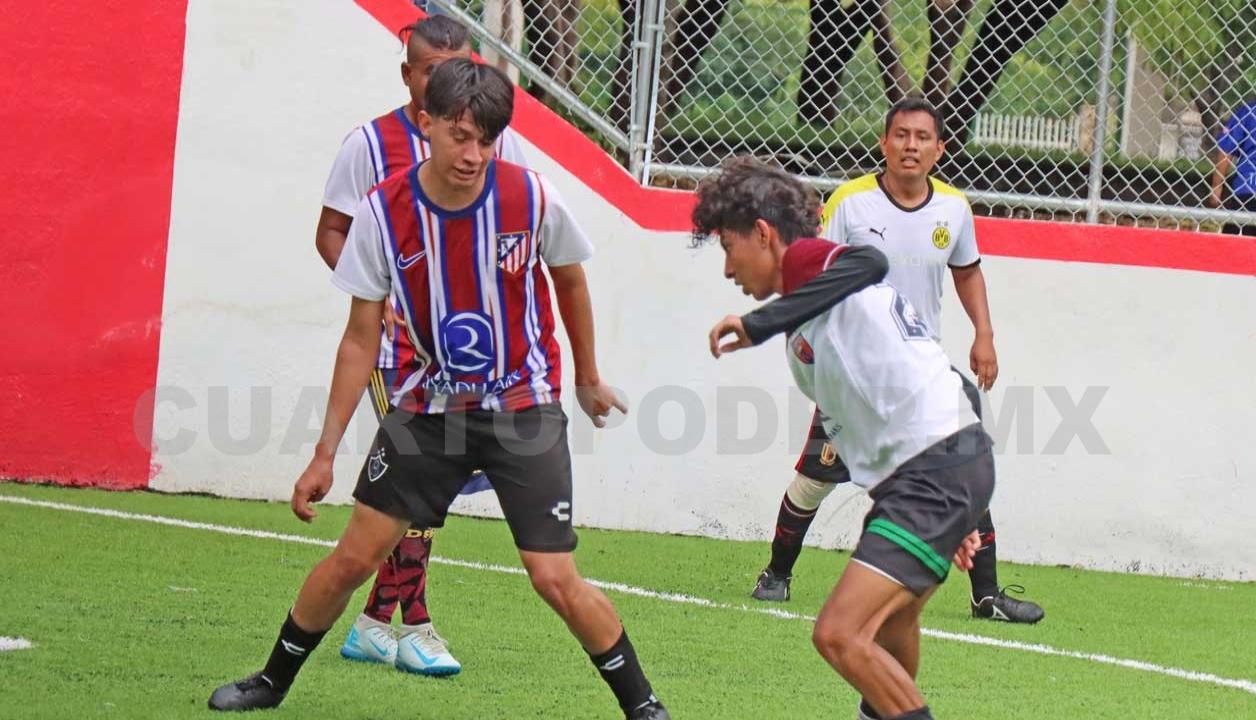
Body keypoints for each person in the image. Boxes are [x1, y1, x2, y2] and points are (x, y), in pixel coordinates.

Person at [210, 59, 670, 720]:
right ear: (426, 123)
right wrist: (324, 452)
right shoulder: (382, 212)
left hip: (522, 409)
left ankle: (644, 706)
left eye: (486, 140)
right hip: (427, 410)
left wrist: (589, 377)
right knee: (353, 558)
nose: (473, 154)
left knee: (553, 576)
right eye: (460, 136)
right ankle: (271, 681)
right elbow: (359, 337)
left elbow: (570, 279)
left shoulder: (532, 196)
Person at [701, 155, 991, 720]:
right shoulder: (811, 323)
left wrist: (758, 324)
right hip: (939, 471)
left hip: (938, 470)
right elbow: (894, 415)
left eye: (727, 247)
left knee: (839, 633)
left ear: (763, 234)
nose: (728, 269)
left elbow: (870, 257)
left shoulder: (809, 263)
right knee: (891, 621)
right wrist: (955, 513)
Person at [750, 97, 1044, 625]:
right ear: (883, 143)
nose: (911, 146)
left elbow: (967, 271)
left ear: (939, 148)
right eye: (901, 136)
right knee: (817, 479)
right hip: (857, 377)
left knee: (960, 469)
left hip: (924, 377)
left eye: (922, 137)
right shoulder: (850, 202)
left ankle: (987, 596)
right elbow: (812, 271)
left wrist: (985, 334)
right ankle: (777, 572)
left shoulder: (954, 208)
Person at [316, 15, 530, 676]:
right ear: (409, 74)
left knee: (428, 485)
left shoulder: (494, 143)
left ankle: (376, 622)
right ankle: (419, 624)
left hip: (467, 356)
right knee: (419, 478)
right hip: (397, 357)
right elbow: (331, 231)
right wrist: (378, 304)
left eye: (462, 66)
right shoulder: (370, 145)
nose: (452, 83)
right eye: (435, 71)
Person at [1208, 96, 1256, 236]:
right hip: (1247, 190)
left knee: (1237, 245)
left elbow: (1226, 149)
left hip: (1248, 188)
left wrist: (1217, 187)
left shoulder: (1249, 111)